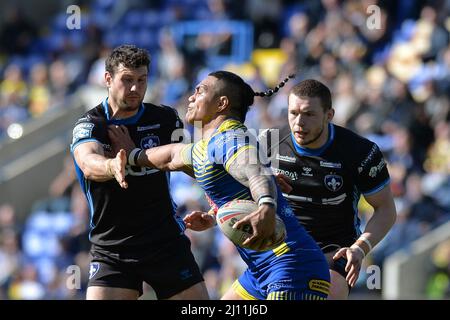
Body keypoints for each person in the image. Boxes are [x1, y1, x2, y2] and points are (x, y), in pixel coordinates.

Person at [107, 70, 331, 300]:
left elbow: (256, 172)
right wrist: (132, 154)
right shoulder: (209, 146)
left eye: (200, 91)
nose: (191, 97)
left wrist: (266, 205)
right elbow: (172, 156)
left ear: (222, 103)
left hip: (293, 268)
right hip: (260, 273)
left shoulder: (230, 139)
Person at [70, 45, 208, 300]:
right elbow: (88, 162)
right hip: (113, 247)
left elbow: (195, 165)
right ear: (108, 79)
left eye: (142, 80)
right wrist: (112, 166)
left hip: (165, 241)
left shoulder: (165, 119)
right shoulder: (92, 125)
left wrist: (221, 201)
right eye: (127, 80)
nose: (135, 88)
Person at [259, 79, 397, 299]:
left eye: (309, 114)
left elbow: (386, 209)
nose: (299, 122)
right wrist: (214, 213)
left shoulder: (359, 152)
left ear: (329, 115)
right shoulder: (269, 142)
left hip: (334, 254)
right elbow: (242, 189)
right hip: (280, 252)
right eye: (293, 113)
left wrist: (360, 248)